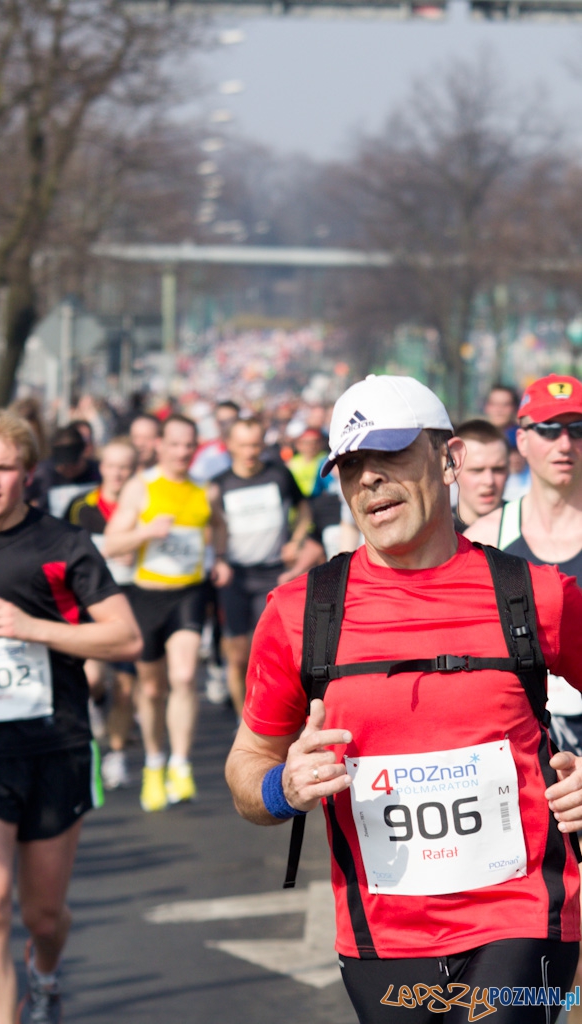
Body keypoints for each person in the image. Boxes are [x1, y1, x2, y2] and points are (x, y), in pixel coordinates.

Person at [226, 373, 582, 1024]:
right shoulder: (301, 612)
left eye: (388, 455)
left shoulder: (535, 594)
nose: (368, 480)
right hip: (380, 932)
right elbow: (248, 763)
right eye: (352, 465)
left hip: (521, 910)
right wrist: (283, 786)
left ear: (445, 461)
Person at [0, 409, 141, 1024]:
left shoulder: (64, 545)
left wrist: (32, 627)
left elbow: (125, 638)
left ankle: (44, 976)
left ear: (28, 474)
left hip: (55, 745)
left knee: (41, 915)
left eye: (4, 468)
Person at [103, 415, 232, 811]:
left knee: (184, 675)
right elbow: (109, 545)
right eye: (174, 444)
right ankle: (154, 763)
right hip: (146, 596)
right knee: (153, 688)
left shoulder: (205, 490)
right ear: (160, 446)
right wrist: (145, 532)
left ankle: (180, 763)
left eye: (189, 445)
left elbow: (219, 525)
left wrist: (221, 557)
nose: (182, 452)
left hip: (189, 594)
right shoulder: (141, 488)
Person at [467, 374, 582, 759]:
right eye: (548, 430)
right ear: (522, 439)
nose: (564, 443)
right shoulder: (485, 539)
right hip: (516, 743)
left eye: (577, 429)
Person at [207, 417, 311, 717]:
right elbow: (213, 527)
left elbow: (303, 509)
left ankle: (281, 715)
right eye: (243, 445)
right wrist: (220, 559)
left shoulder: (279, 474)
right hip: (237, 575)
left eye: (255, 444)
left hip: (274, 572)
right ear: (229, 446)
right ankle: (245, 721)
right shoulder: (220, 484)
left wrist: (296, 539)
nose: (250, 451)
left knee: (278, 653)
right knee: (237, 654)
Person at [68, 437, 138, 789]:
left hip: (132, 600)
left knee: (125, 687)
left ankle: (116, 754)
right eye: (111, 466)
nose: (117, 474)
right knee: (92, 679)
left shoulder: (145, 503)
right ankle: (95, 713)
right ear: (101, 467)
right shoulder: (80, 506)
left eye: (124, 467)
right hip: (90, 603)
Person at [26, 423, 101, 517]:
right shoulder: (42, 474)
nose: (69, 469)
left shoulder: (98, 472)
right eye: (63, 465)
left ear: (83, 454)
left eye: (73, 464)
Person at [451, 419, 509, 533]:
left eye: (498, 470)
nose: (489, 481)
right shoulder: (437, 533)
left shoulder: (528, 527)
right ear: (452, 471)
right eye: (477, 470)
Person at [288, 427, 328, 497]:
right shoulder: (291, 464)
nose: (311, 446)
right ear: (299, 445)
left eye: (315, 442)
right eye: (307, 443)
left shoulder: (326, 460)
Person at [484, 382, 519, 448]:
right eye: (494, 404)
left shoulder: (520, 439)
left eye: (505, 404)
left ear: (515, 408)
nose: (499, 410)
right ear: (486, 407)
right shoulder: (477, 436)